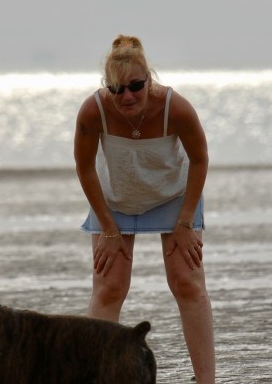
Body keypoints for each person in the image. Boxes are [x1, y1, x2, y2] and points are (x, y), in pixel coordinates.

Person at [74, 35, 215, 383]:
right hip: (116, 200)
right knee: (110, 287)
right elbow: (86, 168)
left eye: (136, 86)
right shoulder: (94, 110)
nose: (127, 96)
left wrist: (185, 222)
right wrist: (107, 229)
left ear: (149, 79)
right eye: (117, 89)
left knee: (187, 283)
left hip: (174, 196)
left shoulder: (175, 107)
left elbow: (199, 160)